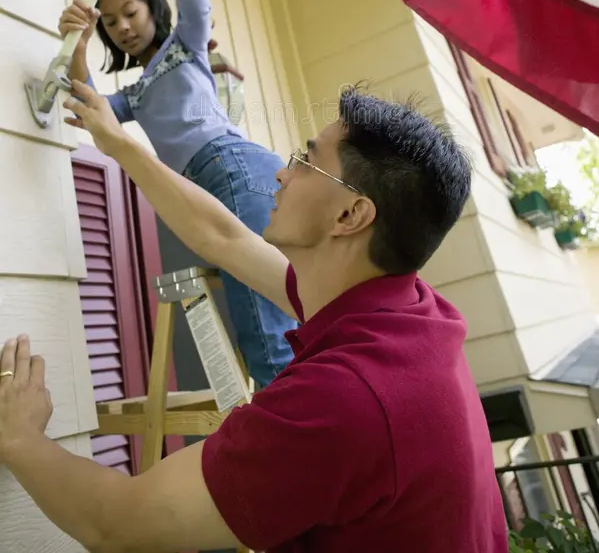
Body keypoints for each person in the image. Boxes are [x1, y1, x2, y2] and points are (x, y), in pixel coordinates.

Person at [0, 85, 508, 553]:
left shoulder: (345, 398)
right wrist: (118, 143)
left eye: (306, 162)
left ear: (350, 216)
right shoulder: (405, 312)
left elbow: (117, 523)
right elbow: (224, 238)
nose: (281, 173)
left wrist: (20, 439)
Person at [57, 0, 296, 387]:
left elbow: (197, 4)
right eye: (110, 23)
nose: (123, 26)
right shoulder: (137, 94)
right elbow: (91, 103)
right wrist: (77, 46)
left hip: (231, 167)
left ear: (151, 7)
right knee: (269, 305)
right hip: (207, 185)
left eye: (130, 12)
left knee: (262, 318)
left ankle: (293, 418)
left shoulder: (185, 47)